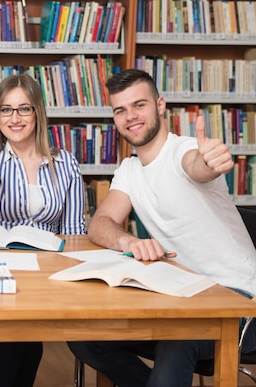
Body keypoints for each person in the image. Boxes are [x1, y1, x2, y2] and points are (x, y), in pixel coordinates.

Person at [67, 68, 256, 387]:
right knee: (86, 337)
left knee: (179, 335)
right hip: (182, 297)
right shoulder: (129, 169)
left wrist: (210, 162)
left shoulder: (182, 151)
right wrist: (128, 241)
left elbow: (197, 166)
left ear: (160, 105)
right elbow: (100, 224)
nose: (130, 116)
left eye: (139, 105)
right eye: (120, 110)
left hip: (241, 303)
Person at [0, 74, 86, 387]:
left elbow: (75, 232)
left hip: (47, 274)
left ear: (38, 112)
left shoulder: (66, 164)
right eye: (6, 110)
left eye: (24, 109)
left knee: (23, 337)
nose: (15, 118)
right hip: (1, 272)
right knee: (15, 332)